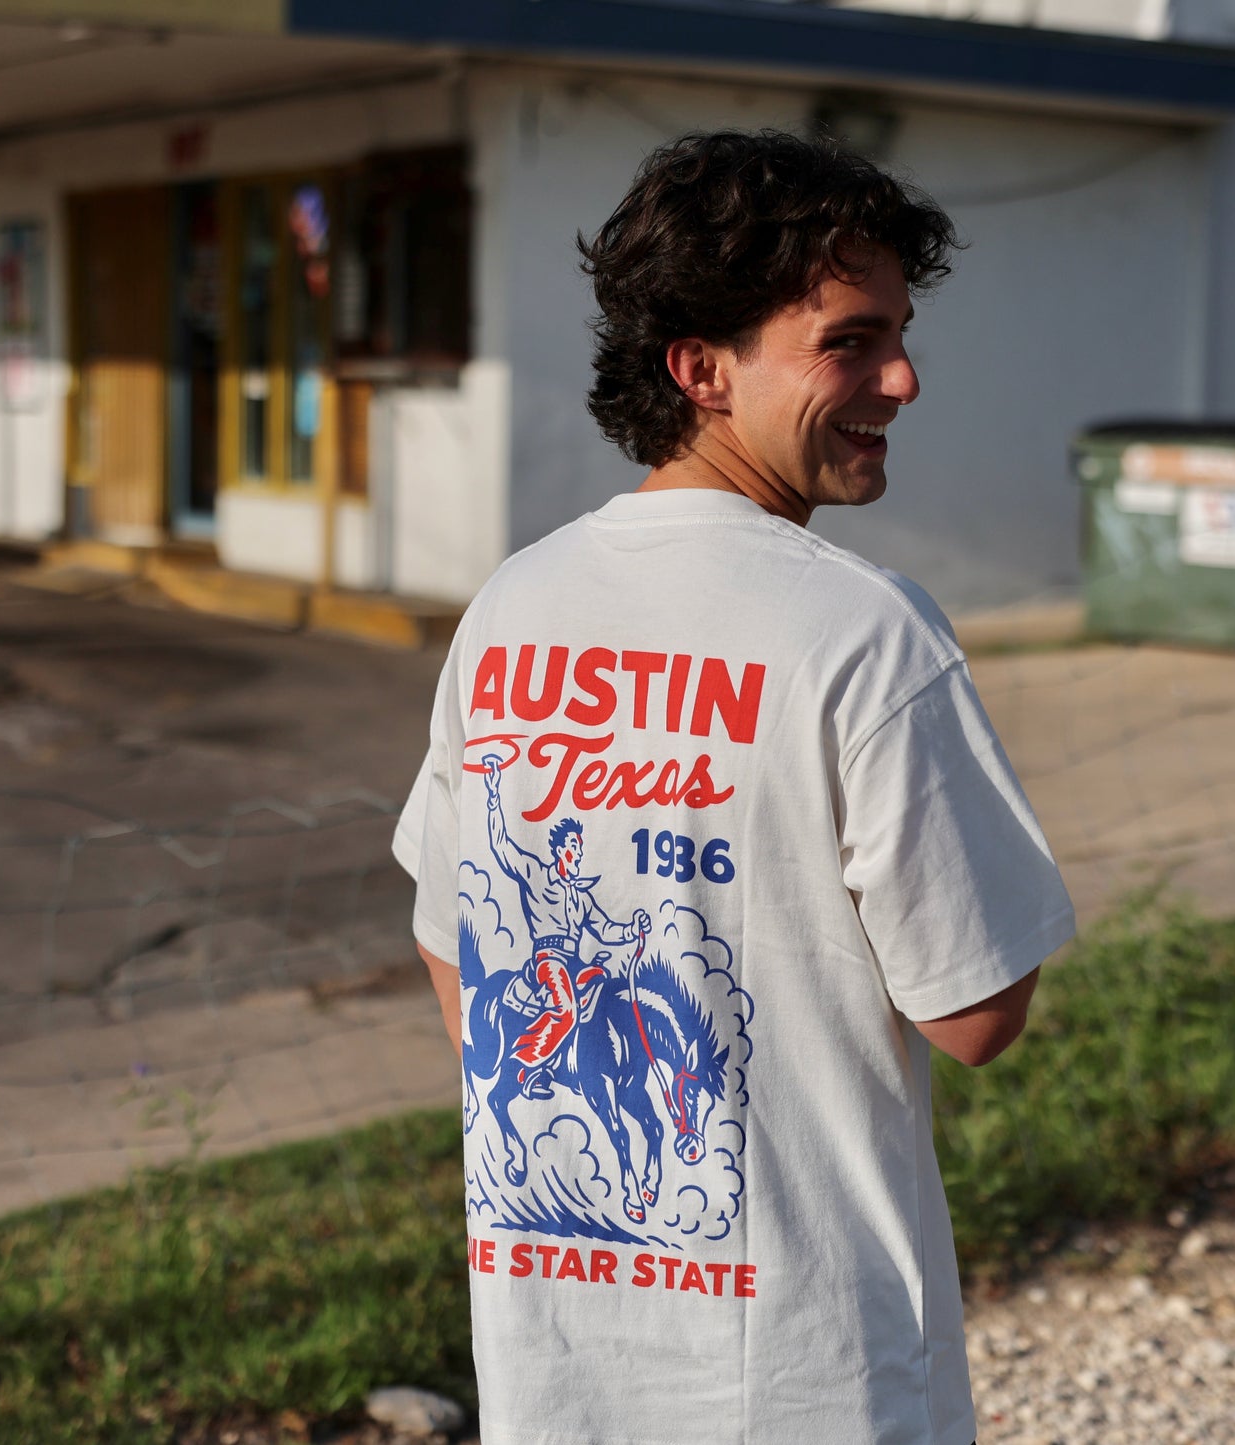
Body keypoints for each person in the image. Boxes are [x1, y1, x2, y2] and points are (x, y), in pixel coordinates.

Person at [393, 128, 1074, 1445]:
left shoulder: (511, 608)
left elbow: (454, 950)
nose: (904, 377)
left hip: (563, 1365)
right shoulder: (866, 633)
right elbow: (976, 1011)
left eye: (899, 333)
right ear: (699, 367)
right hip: (808, 1379)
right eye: (850, 341)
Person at [481, 754, 651, 1099]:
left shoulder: (581, 896)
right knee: (565, 1009)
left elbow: (605, 929)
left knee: (600, 983)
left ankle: (586, 1064)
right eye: (574, 846)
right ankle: (527, 1068)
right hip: (548, 960)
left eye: (580, 846)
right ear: (560, 850)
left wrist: (632, 928)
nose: (578, 852)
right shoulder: (536, 874)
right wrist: (494, 795)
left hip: (574, 962)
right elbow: (501, 847)